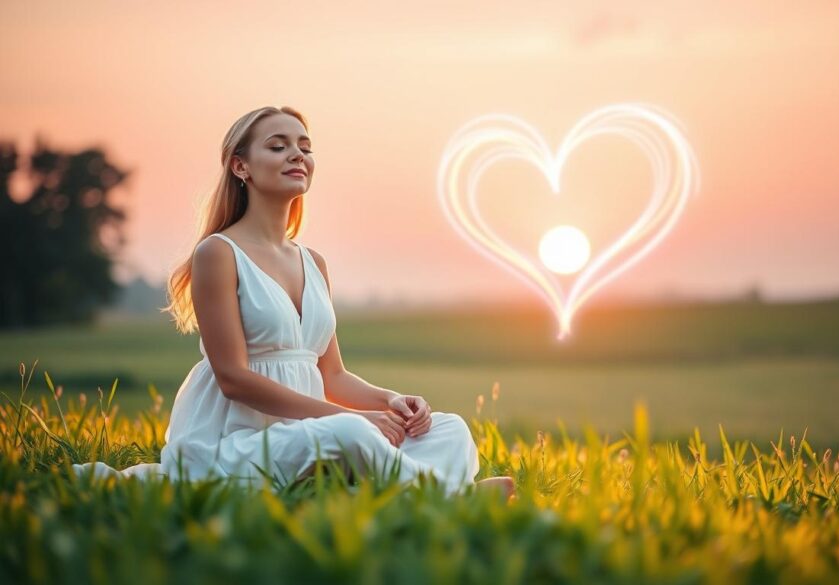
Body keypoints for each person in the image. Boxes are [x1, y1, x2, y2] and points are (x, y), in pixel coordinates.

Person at [74, 106, 514, 500]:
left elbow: (333, 374)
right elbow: (234, 380)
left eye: (305, 146)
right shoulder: (218, 253)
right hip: (234, 440)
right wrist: (350, 421)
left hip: (311, 435)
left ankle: (391, 487)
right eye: (278, 145)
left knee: (448, 428)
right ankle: (453, 500)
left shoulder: (314, 263)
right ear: (240, 165)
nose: (297, 155)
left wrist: (391, 401)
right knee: (347, 431)